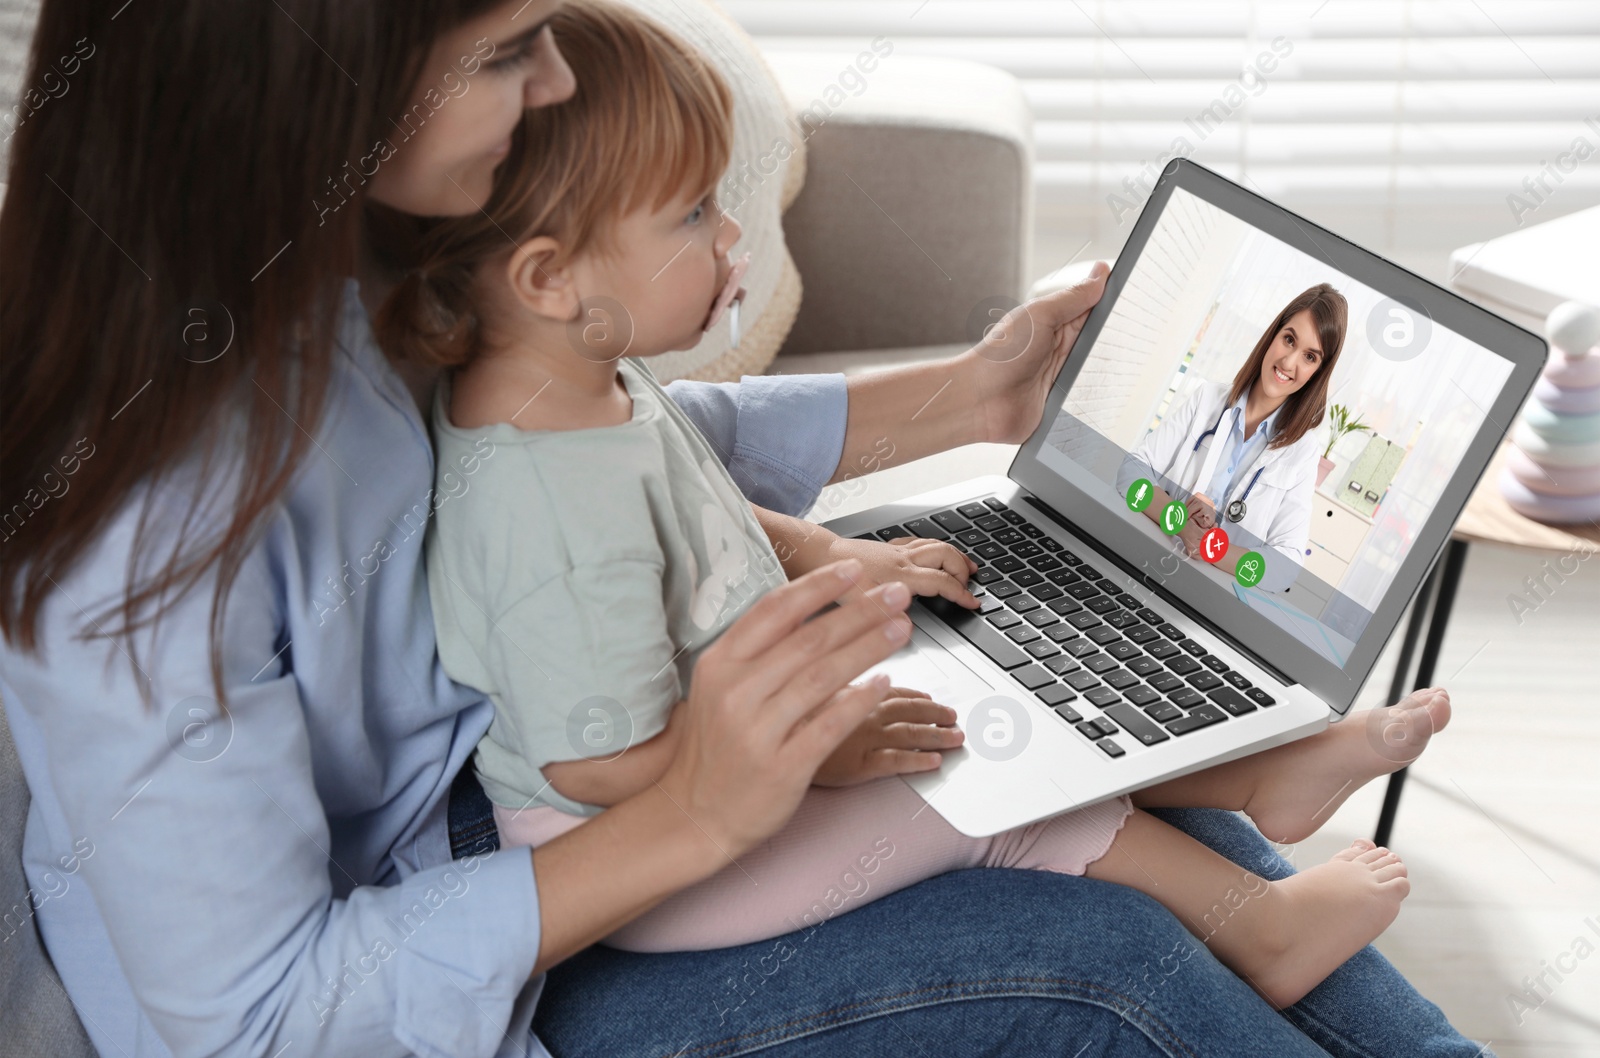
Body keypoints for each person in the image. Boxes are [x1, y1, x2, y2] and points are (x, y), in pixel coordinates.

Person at [0, 0, 1491, 1055]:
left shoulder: (340, 274)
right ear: (310, 79)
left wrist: (970, 395)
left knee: (1123, 760)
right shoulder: (133, 537)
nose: (556, 77)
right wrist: (702, 803)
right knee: (1110, 958)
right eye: (508, 50)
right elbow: (265, 1022)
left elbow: (616, 451)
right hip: (481, 928)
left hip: (543, 777)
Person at [386, 1, 1447, 1012]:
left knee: (986, 687)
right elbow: (596, 761)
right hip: (647, 857)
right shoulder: (542, 501)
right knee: (977, 785)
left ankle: (1262, 771)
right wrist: (816, 754)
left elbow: (694, 516)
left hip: (717, 740)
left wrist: (825, 557)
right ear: (547, 277)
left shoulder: (588, 384)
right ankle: (1259, 926)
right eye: (694, 213)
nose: (733, 241)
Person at [1122, 284, 1346, 591]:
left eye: (1309, 356)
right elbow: (1132, 471)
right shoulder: (1207, 400)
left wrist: (1211, 548)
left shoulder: (1302, 453)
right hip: (1142, 560)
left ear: (1318, 372)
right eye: (1289, 340)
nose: (1289, 363)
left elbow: (1285, 567)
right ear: (1273, 336)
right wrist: (1178, 520)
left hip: (1210, 599)